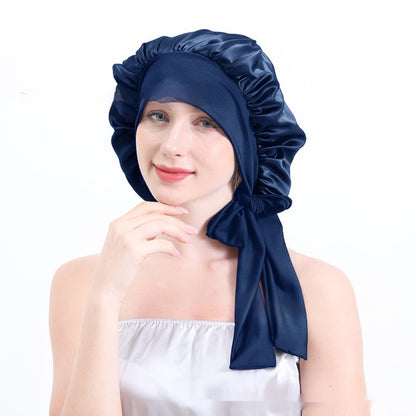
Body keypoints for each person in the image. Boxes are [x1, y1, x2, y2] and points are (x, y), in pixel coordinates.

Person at [49, 30, 370, 416]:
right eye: (158, 116)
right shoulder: (83, 282)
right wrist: (105, 296)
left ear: (247, 141)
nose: (172, 145)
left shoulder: (315, 287)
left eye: (206, 122)